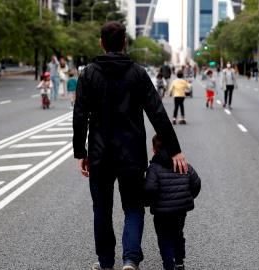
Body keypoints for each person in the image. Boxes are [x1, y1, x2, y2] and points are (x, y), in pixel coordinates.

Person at [73, 21, 187, 270]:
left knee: (102, 209)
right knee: (133, 208)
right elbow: (157, 113)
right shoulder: (138, 73)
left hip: (99, 153)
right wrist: (174, 149)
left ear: (101, 43)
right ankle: (130, 259)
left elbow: (80, 115)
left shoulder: (88, 74)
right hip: (132, 154)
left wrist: (81, 152)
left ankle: (105, 263)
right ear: (125, 43)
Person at [143, 134, 201, 270]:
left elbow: (150, 188)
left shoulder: (154, 168)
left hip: (161, 213)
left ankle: (169, 265)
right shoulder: (182, 163)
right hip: (180, 211)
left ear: (153, 150)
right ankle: (179, 262)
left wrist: (147, 201)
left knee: (164, 238)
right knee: (177, 234)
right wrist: (186, 198)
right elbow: (196, 183)